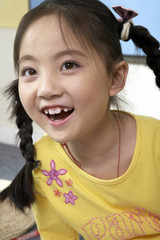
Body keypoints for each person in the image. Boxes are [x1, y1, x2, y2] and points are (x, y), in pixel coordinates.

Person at [1, 0, 160, 239]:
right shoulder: (42, 163)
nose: (46, 89)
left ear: (115, 78)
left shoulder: (155, 146)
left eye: (68, 65)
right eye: (30, 71)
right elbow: (56, 234)